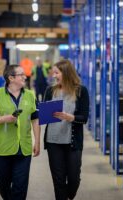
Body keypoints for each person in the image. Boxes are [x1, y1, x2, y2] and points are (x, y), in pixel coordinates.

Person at [0, 64, 40, 200]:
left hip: (24, 148)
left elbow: (35, 119)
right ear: (11, 78)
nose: (25, 76)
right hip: (3, 148)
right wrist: (6, 118)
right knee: (2, 183)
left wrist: (37, 141)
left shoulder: (30, 95)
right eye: (21, 74)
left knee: (20, 186)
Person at [43, 59, 89, 200]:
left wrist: (70, 117)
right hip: (53, 141)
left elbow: (84, 117)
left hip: (72, 143)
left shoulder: (81, 91)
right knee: (58, 180)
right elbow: (45, 115)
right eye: (53, 73)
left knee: (74, 179)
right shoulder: (50, 90)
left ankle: (69, 195)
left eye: (57, 73)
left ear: (66, 73)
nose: (54, 76)